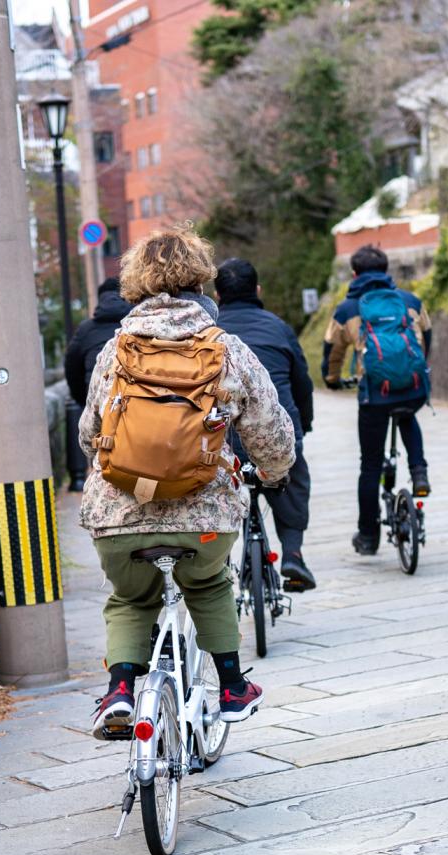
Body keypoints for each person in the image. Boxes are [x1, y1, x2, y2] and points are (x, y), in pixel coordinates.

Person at [79, 226, 295, 737]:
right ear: (202, 278)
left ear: (136, 282)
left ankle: (120, 692)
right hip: (204, 522)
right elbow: (270, 431)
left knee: (131, 599)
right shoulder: (226, 349)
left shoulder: (115, 351)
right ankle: (232, 687)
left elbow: (90, 434)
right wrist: (274, 472)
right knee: (211, 582)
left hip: (119, 519)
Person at [213, 257, 318, 592]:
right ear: (257, 289)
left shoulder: (208, 334)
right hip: (275, 435)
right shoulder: (278, 327)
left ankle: (228, 563)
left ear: (217, 294)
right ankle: (293, 554)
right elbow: (302, 383)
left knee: (225, 487)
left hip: (224, 442)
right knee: (292, 479)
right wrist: (305, 422)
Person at [322, 245, 433, 556]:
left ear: (354, 274)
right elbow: (427, 336)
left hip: (374, 395)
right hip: (413, 389)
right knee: (408, 414)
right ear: (386, 271)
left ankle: (369, 537)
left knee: (370, 466)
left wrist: (332, 380)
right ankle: (419, 470)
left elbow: (333, 352)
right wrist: (418, 373)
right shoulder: (410, 302)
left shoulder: (347, 310)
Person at [62, 277, 134, 491]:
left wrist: (82, 398)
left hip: (101, 407)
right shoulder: (136, 327)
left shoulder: (86, 330)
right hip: (138, 405)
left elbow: (71, 366)